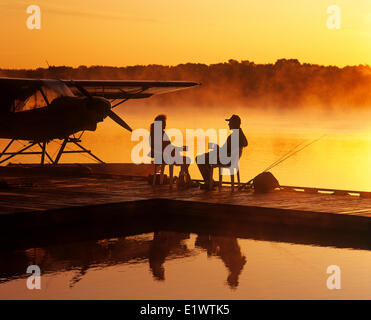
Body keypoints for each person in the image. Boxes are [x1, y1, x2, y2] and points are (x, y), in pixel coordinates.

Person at [196, 114, 247, 190]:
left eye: (230, 122)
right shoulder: (239, 134)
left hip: (226, 159)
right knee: (205, 158)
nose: (228, 124)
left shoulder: (235, 136)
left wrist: (217, 149)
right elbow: (244, 144)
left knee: (199, 158)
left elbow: (224, 150)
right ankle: (210, 182)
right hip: (228, 158)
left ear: (234, 124)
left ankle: (209, 182)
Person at [149, 114, 191, 186]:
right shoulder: (160, 134)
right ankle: (183, 179)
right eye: (164, 123)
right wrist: (180, 149)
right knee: (187, 160)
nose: (165, 125)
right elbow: (166, 148)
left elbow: (167, 147)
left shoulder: (153, 133)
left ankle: (183, 179)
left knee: (184, 159)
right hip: (164, 157)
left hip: (160, 157)